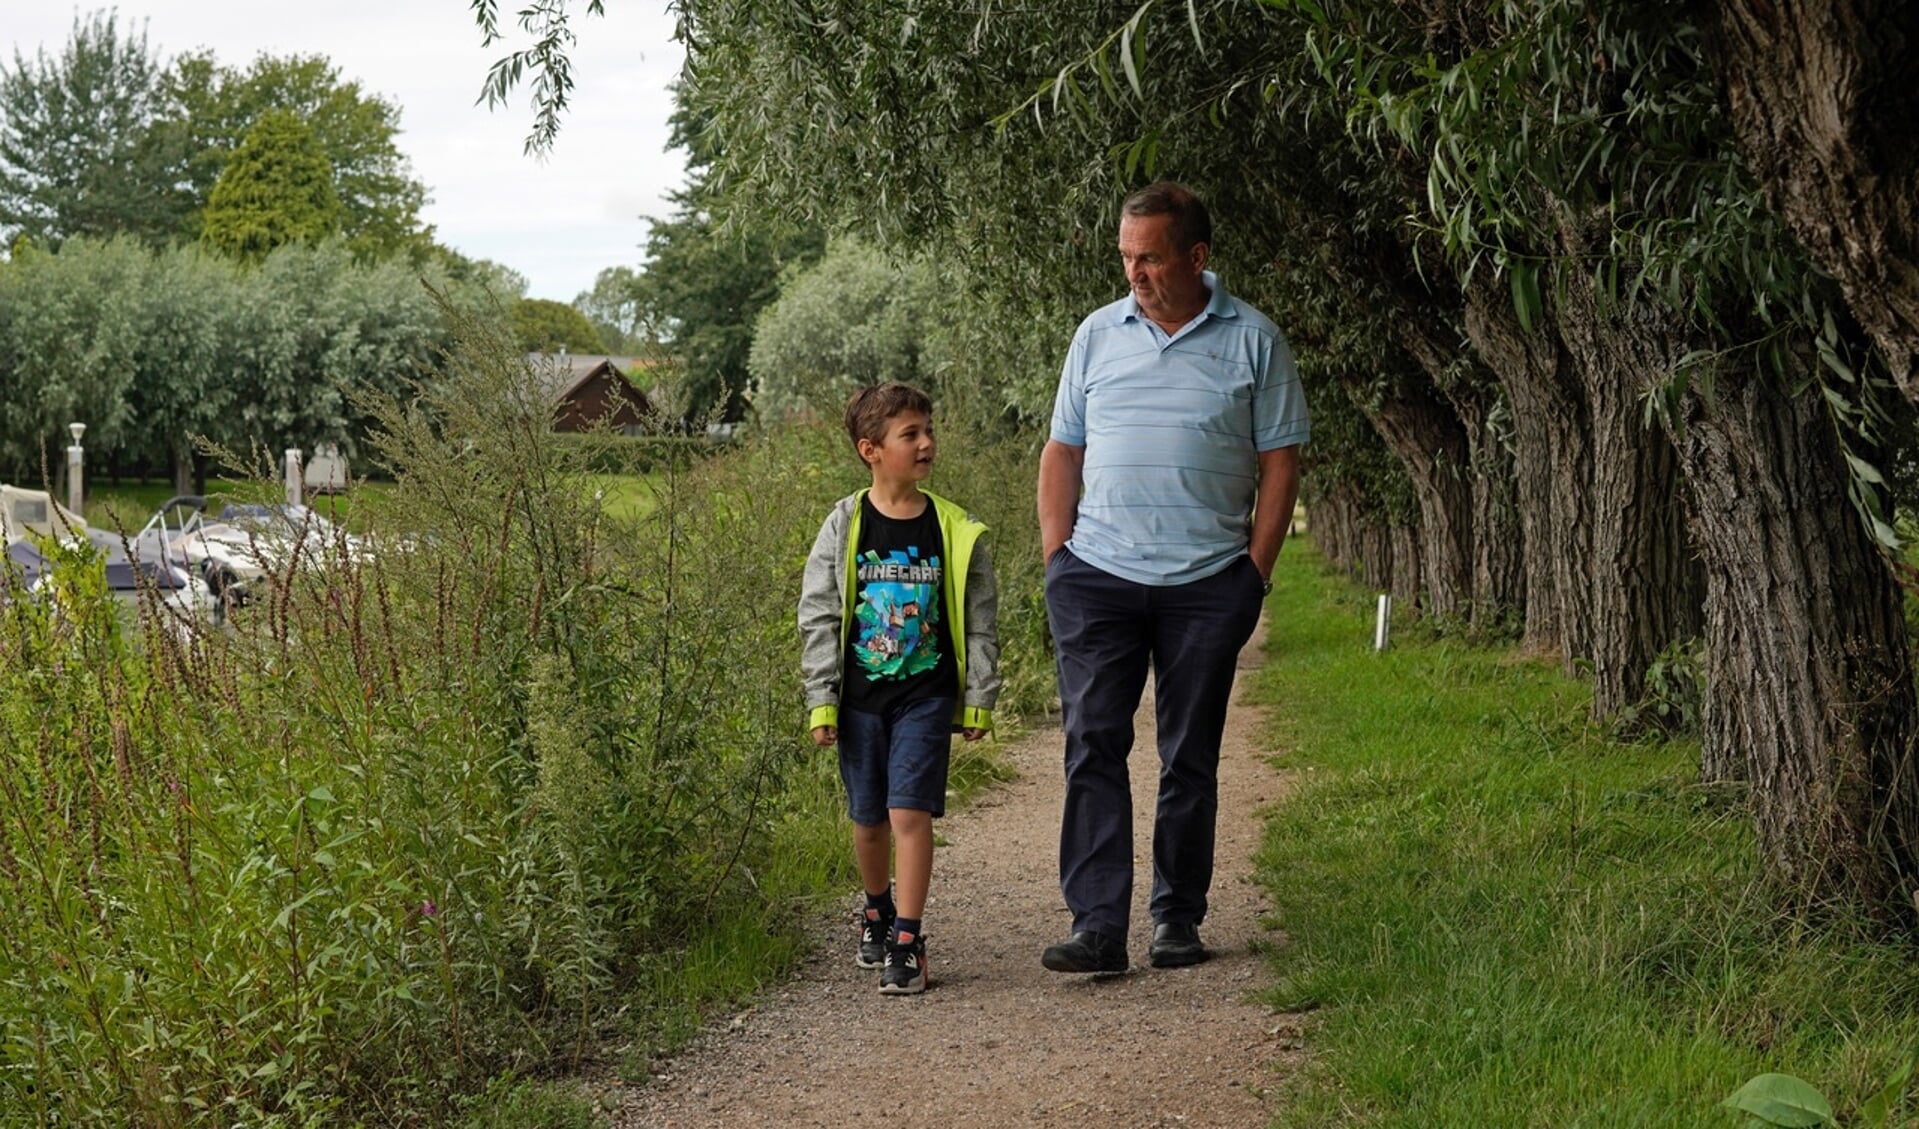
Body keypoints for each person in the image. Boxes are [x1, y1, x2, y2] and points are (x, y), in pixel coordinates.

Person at [1037, 181, 1309, 974]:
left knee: (1188, 751)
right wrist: (1059, 559)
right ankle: (1096, 926)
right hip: (1096, 574)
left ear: (1196, 256)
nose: (1134, 273)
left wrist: (1251, 574)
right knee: (1092, 743)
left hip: (1204, 582)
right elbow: (1063, 449)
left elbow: (1279, 460)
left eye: (1149, 257)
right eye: (1125, 257)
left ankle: (1176, 918)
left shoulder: (1255, 340)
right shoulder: (1095, 335)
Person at [799, 383, 1001, 995]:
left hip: (927, 695)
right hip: (860, 698)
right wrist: (820, 699)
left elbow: (980, 617)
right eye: (909, 434)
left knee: (908, 811)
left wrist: (978, 698)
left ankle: (908, 941)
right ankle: (877, 909)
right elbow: (820, 613)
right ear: (871, 450)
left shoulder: (954, 529)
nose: (926, 443)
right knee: (867, 821)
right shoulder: (845, 524)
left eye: (928, 430)